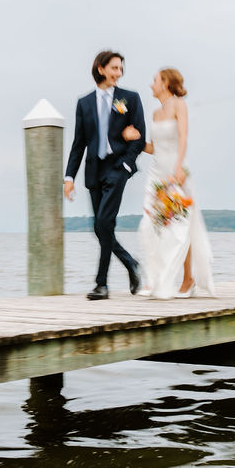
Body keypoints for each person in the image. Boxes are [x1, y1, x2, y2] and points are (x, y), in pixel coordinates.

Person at [123, 68, 215, 299]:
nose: (151, 84)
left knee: (180, 228)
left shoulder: (178, 104)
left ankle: (188, 280)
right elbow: (153, 147)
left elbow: (183, 137)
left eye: (154, 80)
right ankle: (155, 280)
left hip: (176, 172)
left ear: (165, 83)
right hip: (156, 174)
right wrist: (136, 140)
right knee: (149, 225)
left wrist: (179, 168)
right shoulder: (155, 114)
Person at [64, 50, 146, 300]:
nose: (118, 73)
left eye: (120, 69)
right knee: (100, 228)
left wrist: (126, 166)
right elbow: (79, 143)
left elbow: (139, 136)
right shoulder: (84, 103)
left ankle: (102, 284)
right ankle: (130, 263)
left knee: (103, 224)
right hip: (93, 171)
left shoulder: (129, 98)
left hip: (117, 168)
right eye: (114, 68)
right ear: (100, 68)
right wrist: (69, 178)